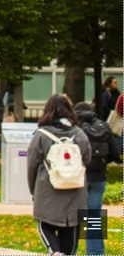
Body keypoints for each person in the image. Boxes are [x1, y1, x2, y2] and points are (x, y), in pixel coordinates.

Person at [28, 95, 91, 255]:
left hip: (48, 188)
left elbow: (32, 164)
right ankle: (95, 251)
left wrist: (33, 189)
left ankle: (55, 252)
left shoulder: (41, 135)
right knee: (74, 226)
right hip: (77, 189)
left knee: (45, 223)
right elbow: (87, 158)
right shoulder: (79, 133)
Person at [74, 100, 121, 255]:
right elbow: (115, 153)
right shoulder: (104, 127)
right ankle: (95, 252)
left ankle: (69, 250)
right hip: (98, 177)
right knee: (94, 215)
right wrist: (101, 163)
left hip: (78, 177)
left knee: (73, 214)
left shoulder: (75, 128)